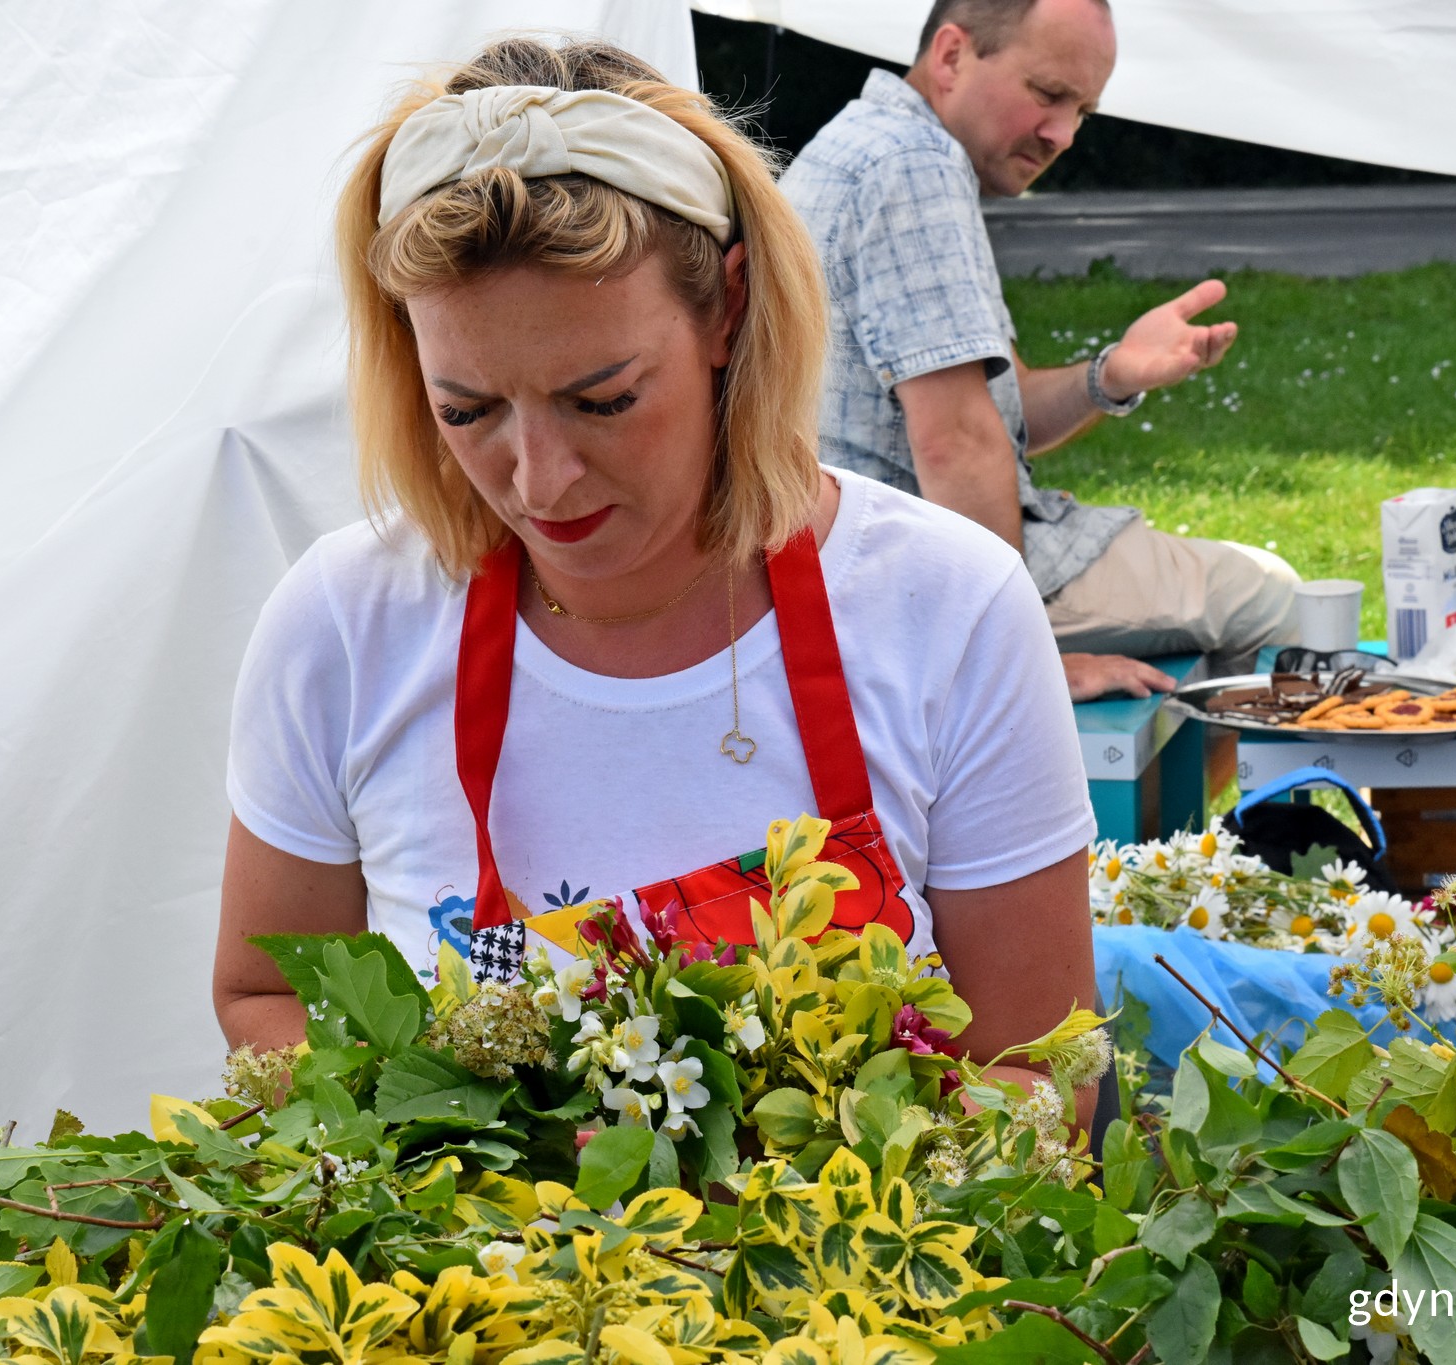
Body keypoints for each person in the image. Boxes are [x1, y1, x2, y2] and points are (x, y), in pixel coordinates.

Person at [212, 36, 1104, 1126]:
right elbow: (265, 993)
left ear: (726, 310)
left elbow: (1034, 1063)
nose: (537, 483)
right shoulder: (344, 623)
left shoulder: (948, 608)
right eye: (466, 411)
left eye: (603, 400)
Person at [779, 0, 1301, 687]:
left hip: (855, 563)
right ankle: (1181, 799)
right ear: (951, 56)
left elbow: (1000, 408)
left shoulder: (874, 143)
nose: (1064, 135)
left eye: (1083, 109)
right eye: (1048, 94)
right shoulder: (912, 167)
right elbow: (958, 442)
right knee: (1273, 598)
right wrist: (1024, 667)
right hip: (895, 584)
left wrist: (1111, 374)